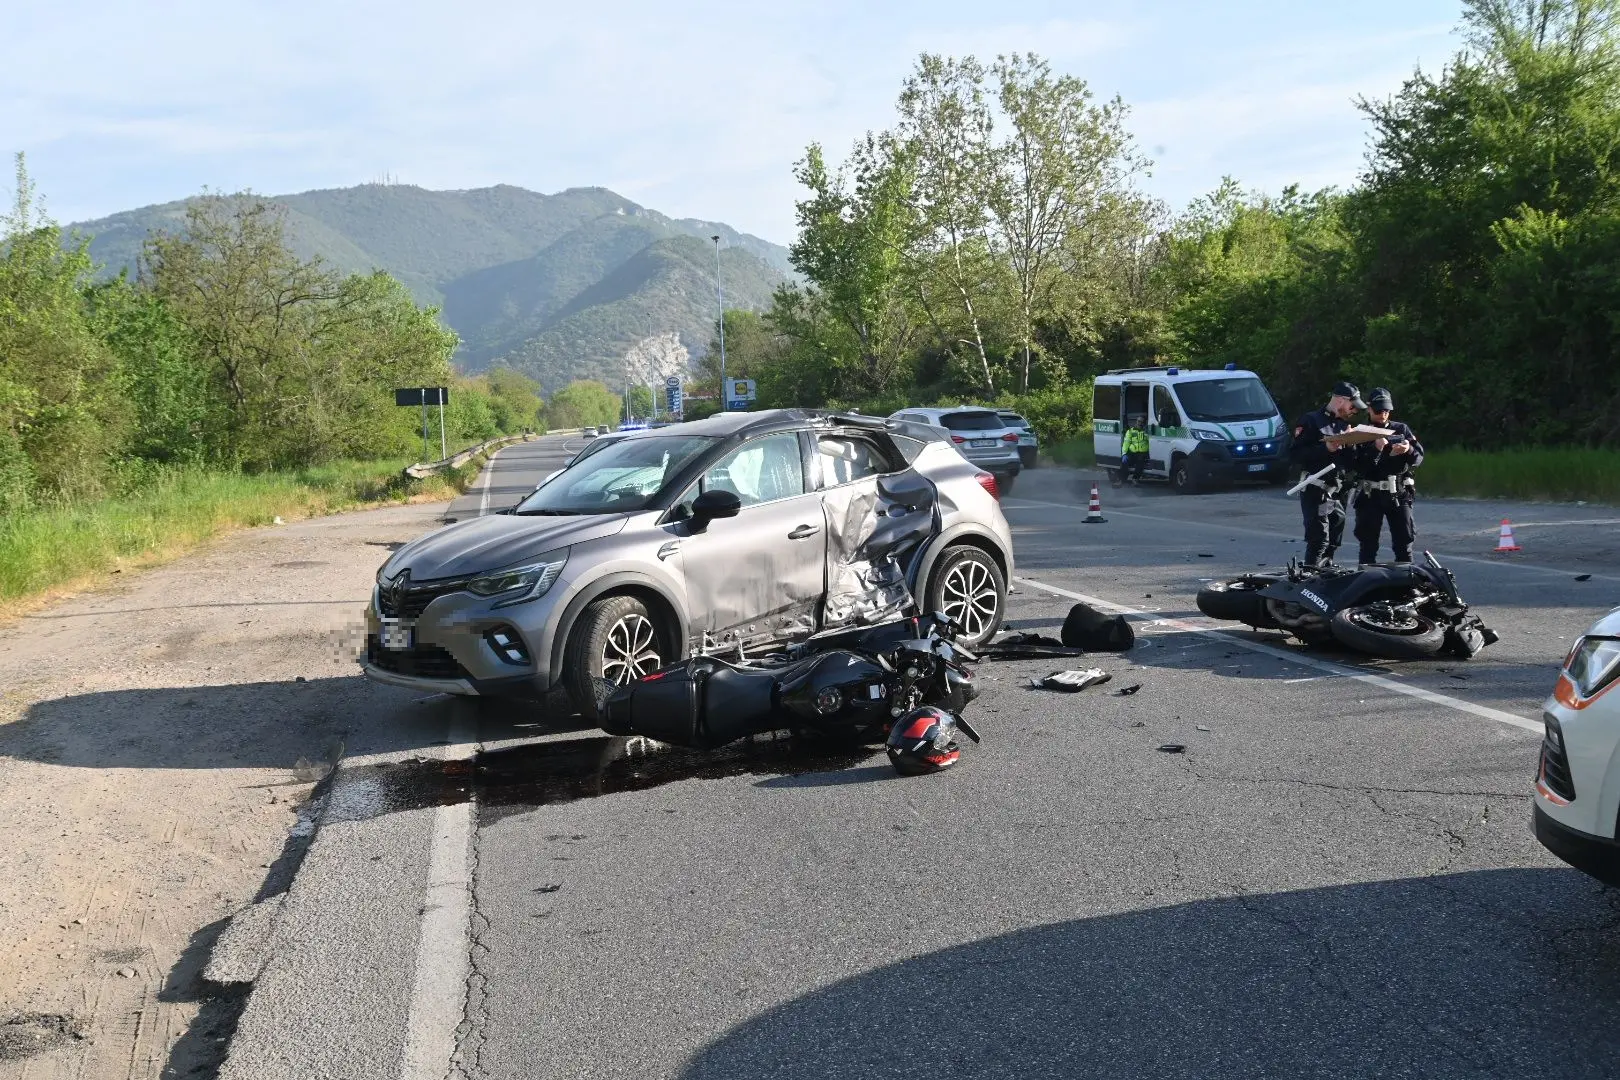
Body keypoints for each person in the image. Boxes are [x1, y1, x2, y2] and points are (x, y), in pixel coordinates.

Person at [1288, 380, 1364, 567]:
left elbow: (1350, 462)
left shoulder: (1343, 425)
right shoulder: (1311, 421)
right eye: (1352, 406)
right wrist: (1326, 449)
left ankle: (1326, 575)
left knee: (1334, 539)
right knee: (1319, 539)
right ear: (1340, 401)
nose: (1354, 411)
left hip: (1337, 490)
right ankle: (1311, 578)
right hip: (1316, 488)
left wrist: (1352, 442)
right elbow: (1296, 454)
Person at [1352, 387, 1424, 566]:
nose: (1383, 414)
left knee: (1404, 542)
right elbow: (1356, 464)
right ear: (1369, 408)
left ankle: (1406, 583)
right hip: (1371, 493)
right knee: (1368, 544)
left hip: (1398, 492)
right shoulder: (1360, 433)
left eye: (1386, 410)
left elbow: (1419, 457)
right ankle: (1366, 583)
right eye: (1378, 410)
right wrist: (1375, 449)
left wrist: (1408, 449)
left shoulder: (1400, 429)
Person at [1120, 418, 1150, 485]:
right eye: (1139, 421)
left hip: (1142, 453)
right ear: (1136, 422)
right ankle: (1122, 480)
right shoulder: (1130, 431)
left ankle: (1135, 479)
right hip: (1132, 452)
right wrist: (1124, 453)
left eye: (1142, 422)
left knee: (1140, 462)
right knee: (1124, 461)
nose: (1140, 423)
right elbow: (1126, 443)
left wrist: (1146, 432)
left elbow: (1151, 441)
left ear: (1144, 423)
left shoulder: (1147, 432)